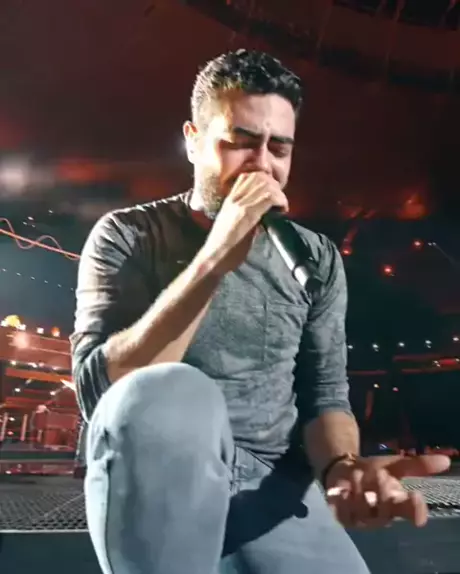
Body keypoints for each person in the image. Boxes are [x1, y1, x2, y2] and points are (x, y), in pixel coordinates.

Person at [71, 49, 450, 574]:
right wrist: (216, 256)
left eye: (279, 148)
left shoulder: (315, 257)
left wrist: (342, 468)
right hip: (160, 474)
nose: (262, 164)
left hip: (272, 483)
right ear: (192, 140)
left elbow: (325, 394)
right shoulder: (128, 235)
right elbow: (103, 395)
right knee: (174, 389)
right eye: (240, 143)